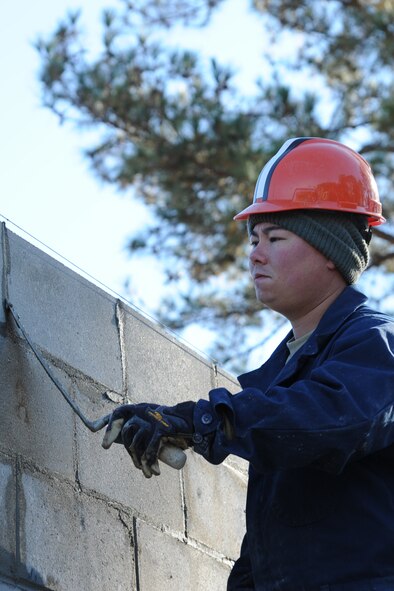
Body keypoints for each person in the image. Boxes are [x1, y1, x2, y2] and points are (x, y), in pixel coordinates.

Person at [102, 137, 394, 590]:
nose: (255, 253)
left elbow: (326, 419)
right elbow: (271, 551)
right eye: (254, 238)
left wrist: (204, 419)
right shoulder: (281, 379)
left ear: (332, 252)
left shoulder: (375, 346)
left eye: (275, 237)